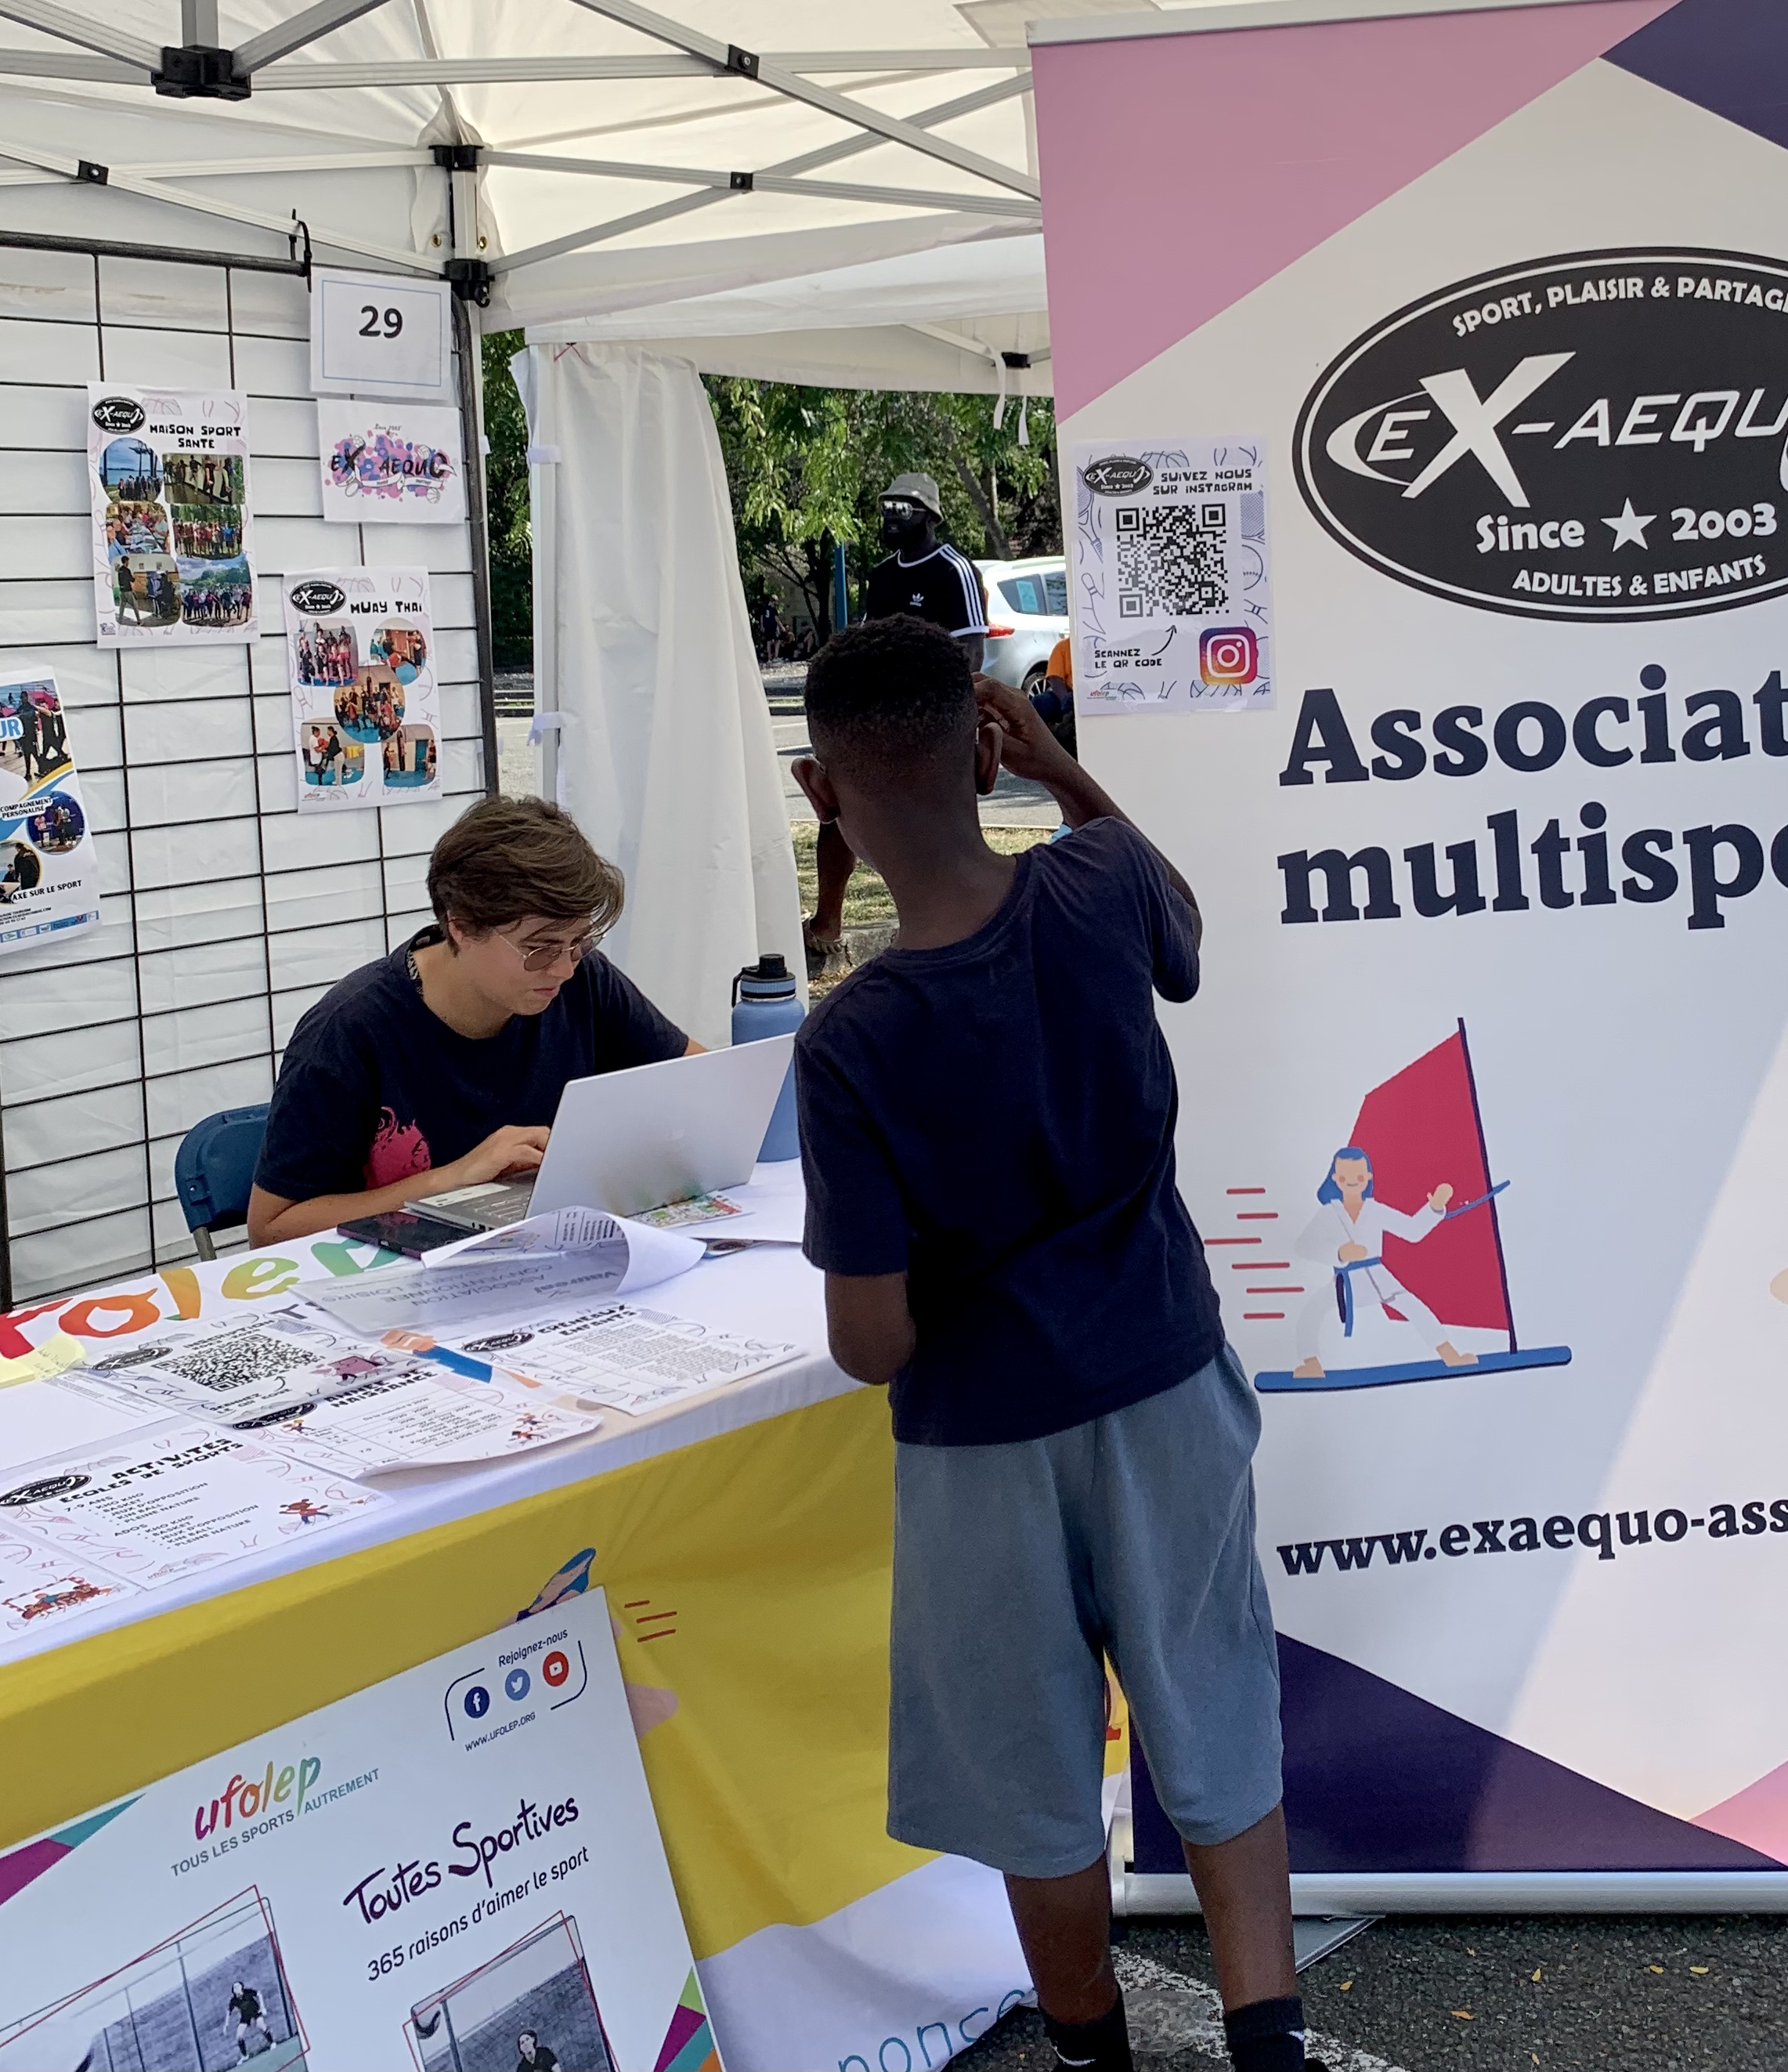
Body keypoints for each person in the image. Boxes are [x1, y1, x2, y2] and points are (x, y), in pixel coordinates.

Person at [790, 616, 1313, 2072]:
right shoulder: (1096, 883)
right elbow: (1180, 926)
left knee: (1033, 1773)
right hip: (1165, 1381)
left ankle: (1090, 2050)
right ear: (987, 750)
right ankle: (1270, 2043)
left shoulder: (848, 1043)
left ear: (821, 794)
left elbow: (871, 1343)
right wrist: (1065, 775)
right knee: (1212, 1701)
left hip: (982, 1442)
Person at [247, 796, 702, 1246]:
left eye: (579, 942)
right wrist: (452, 1179)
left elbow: (703, 1083)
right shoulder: (348, 1031)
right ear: (461, 927)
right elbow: (271, 1229)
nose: (563, 968)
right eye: (539, 948)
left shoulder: (584, 980)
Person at [801, 473, 986, 971]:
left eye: (901, 509)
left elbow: (971, 651)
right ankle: (827, 920)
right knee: (837, 806)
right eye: (885, 507)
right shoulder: (882, 575)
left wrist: (931, 715)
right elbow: (866, 645)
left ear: (929, 516)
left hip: (930, 726)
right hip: (874, 722)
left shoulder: (953, 570)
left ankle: (949, 925)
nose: (889, 517)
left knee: (935, 826)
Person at [1289, 1147, 1468, 1378]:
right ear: (1335, 1179)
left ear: (1368, 1178)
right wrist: (1340, 1253)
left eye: (1359, 1177)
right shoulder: (1329, 1213)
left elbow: (1412, 1230)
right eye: (1345, 1177)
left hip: (1378, 1278)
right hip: (1345, 1282)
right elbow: (1303, 1246)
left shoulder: (1376, 1210)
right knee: (1311, 1312)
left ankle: (1450, 1355)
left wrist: (1434, 1207)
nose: (1352, 1182)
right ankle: (1312, 1364)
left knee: (1415, 1308)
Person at [223, 1980, 272, 2059]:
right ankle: (245, 2056)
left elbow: (259, 1994)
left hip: (255, 2011)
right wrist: (226, 2025)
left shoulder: (248, 1992)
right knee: (239, 2036)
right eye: (235, 1987)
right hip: (245, 2016)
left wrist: (262, 2007)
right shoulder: (234, 2000)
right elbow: (229, 2012)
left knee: (261, 2026)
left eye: (238, 1986)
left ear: (242, 1987)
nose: (236, 1988)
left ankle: (272, 2043)